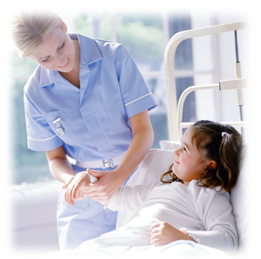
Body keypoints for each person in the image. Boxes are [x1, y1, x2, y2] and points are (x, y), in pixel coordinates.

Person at [9, 6, 157, 250]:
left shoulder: (114, 57)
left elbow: (143, 131)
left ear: (63, 25)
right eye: (45, 59)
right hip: (83, 195)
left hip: (136, 178)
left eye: (60, 46)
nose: (60, 60)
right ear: (31, 58)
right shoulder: (34, 92)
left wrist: (118, 177)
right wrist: (74, 180)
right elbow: (55, 158)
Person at [57, 120, 243, 258]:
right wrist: (86, 179)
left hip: (161, 251)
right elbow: (115, 197)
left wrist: (184, 237)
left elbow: (228, 239)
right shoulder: (161, 187)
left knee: (185, 253)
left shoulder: (208, 193)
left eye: (185, 149)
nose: (176, 152)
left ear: (209, 166)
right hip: (122, 247)